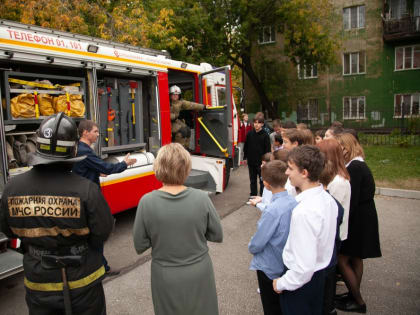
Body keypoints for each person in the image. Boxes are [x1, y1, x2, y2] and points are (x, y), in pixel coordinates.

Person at [0, 113, 114, 315]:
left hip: (38, 281)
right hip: (83, 282)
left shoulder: (12, 188)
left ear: (38, 146)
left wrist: (37, 248)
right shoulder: (87, 189)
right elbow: (103, 231)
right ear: (73, 149)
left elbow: (8, 231)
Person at [133, 143, 223, 315]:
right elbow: (217, 234)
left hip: (165, 274)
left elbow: (140, 245)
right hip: (199, 271)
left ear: (158, 168)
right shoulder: (202, 199)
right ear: (187, 168)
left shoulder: (147, 202)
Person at [272, 145, 338, 315]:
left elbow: (303, 268)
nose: (286, 172)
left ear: (304, 173)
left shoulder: (304, 212)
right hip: (318, 276)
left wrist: (282, 283)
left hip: (301, 284)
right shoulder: (327, 199)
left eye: (290, 168)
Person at [72, 119, 136, 275]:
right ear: (85, 132)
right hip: (88, 199)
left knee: (89, 234)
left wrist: (96, 171)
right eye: (95, 131)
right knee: (97, 232)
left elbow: (90, 169)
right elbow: (107, 167)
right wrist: (124, 164)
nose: (97, 135)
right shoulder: (84, 151)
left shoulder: (79, 149)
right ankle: (101, 268)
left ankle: (99, 266)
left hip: (83, 196)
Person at [335, 133, 381, 314]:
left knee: (344, 258)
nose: (339, 150)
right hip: (363, 215)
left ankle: (358, 300)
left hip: (358, 218)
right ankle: (353, 294)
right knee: (355, 257)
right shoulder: (356, 164)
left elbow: (351, 200)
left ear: (347, 147)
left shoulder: (355, 167)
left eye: (341, 146)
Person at [248, 160, 297, 315]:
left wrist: (251, 246)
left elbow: (258, 242)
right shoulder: (293, 202)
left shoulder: (272, 211)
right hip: (286, 263)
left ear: (266, 184)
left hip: (270, 265)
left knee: (271, 306)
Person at [319, 161, 345, 315]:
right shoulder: (334, 204)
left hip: (322, 262)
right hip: (331, 257)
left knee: (323, 298)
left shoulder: (320, 205)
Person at [243, 115, 271, 196]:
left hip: (261, 162)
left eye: (259, 123)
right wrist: (245, 157)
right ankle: (253, 196)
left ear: (262, 124)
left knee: (262, 181)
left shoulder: (265, 135)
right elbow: (246, 146)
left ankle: (262, 196)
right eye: (255, 122)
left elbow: (268, 149)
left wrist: (266, 161)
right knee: (252, 180)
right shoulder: (249, 134)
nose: (256, 124)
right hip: (251, 161)